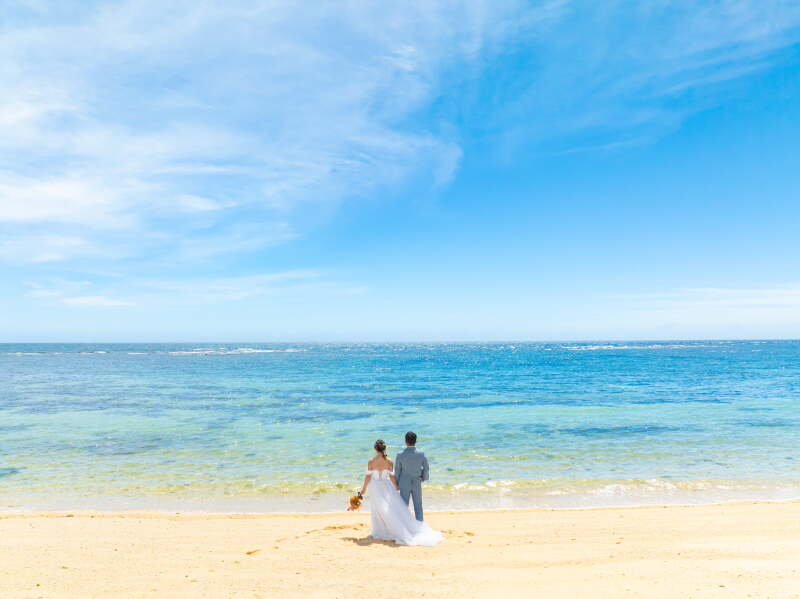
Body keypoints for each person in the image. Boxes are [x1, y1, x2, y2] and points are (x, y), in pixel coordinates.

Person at [358, 438, 442, 546]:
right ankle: (386, 530)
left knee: (377, 509)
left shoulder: (371, 461)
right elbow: (392, 477)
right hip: (386, 486)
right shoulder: (389, 461)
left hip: (375, 487)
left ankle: (380, 531)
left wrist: (363, 490)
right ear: (385, 448)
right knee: (387, 509)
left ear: (375, 449)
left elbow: (368, 477)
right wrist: (396, 486)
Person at [394, 431, 429, 521]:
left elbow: (397, 470)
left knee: (403, 507)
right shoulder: (421, 454)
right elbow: (426, 468)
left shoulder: (400, 454)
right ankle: (420, 526)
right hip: (417, 482)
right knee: (418, 506)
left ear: (405, 441)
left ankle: (404, 526)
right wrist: (424, 478)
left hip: (403, 483)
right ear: (416, 441)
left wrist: (396, 483)